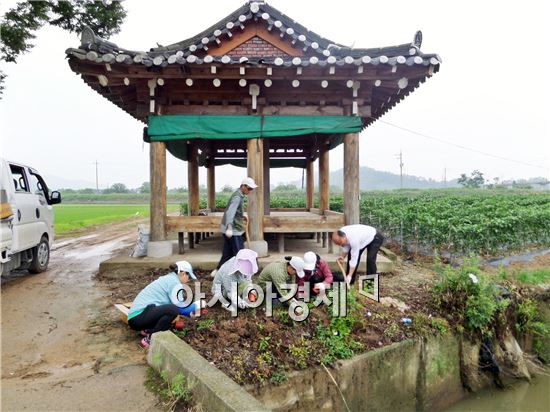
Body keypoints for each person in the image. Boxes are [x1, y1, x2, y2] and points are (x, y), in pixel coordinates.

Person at [127, 261, 204, 348]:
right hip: (138, 318)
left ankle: (148, 330)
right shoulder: (174, 283)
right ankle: (150, 338)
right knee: (172, 310)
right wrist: (197, 305)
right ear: (182, 273)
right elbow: (181, 308)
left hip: (136, 317)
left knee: (169, 310)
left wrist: (191, 312)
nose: (188, 279)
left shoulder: (169, 279)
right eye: (188, 276)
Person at [212, 177, 258, 277]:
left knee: (228, 252)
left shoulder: (239, 195)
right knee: (239, 252)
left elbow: (235, 211)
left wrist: (242, 215)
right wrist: (229, 227)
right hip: (232, 229)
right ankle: (243, 272)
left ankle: (218, 271)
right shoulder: (237, 197)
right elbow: (230, 212)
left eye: (251, 189)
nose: (250, 191)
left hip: (232, 228)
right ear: (243, 186)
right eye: (249, 189)